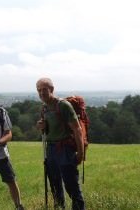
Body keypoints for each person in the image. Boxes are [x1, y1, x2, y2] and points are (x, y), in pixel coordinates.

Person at [36, 78, 85, 210]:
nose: (41, 93)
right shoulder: (45, 108)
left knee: (71, 186)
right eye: (39, 90)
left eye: (44, 90)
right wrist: (42, 126)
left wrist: (81, 153)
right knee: (55, 186)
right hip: (51, 149)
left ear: (51, 90)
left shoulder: (63, 105)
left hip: (65, 149)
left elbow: (77, 129)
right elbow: (49, 130)